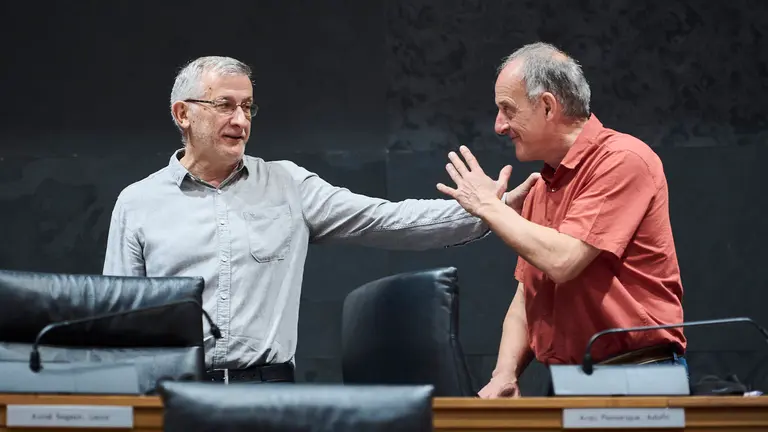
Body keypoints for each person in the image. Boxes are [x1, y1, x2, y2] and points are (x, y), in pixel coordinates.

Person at [102, 56, 537, 384]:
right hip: (171, 391)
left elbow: (386, 220)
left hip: (267, 390)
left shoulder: (288, 184)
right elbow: (118, 323)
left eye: (248, 108)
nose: (240, 120)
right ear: (183, 114)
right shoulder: (138, 202)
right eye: (224, 106)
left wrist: (487, 211)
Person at [436, 42, 686, 398]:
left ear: (548, 106)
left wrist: (490, 207)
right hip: (570, 383)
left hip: (636, 377)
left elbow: (563, 260)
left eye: (507, 109)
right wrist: (504, 374)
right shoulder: (541, 187)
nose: (498, 126)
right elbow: (528, 294)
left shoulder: (623, 160)